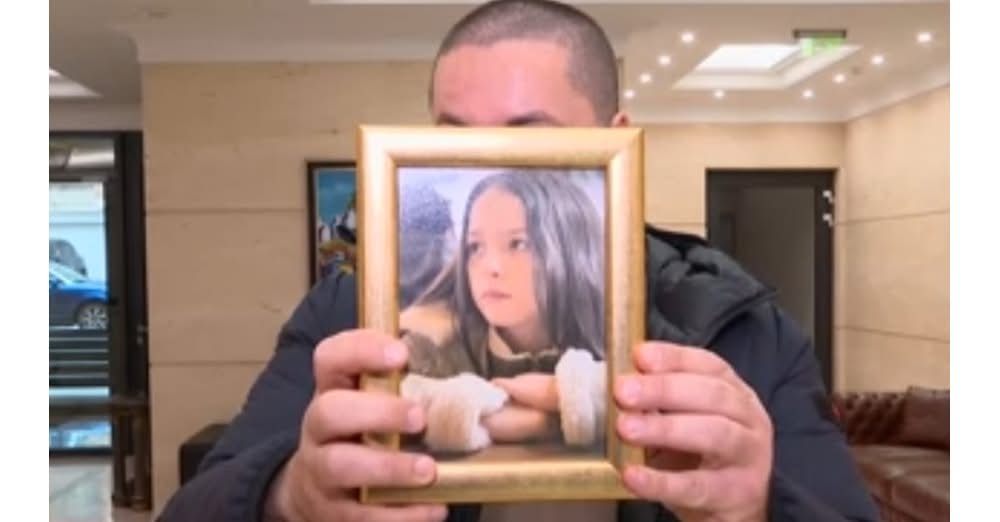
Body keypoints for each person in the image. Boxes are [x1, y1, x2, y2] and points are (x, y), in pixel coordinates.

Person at [158, 1, 879, 521]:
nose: (489, 169)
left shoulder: (743, 331)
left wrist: (761, 507)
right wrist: (288, 496)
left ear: (615, 144)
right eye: (456, 141)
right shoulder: (350, 315)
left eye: (530, 139)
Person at [398, 170, 606, 453]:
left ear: (571, 250)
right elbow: (392, 401)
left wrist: (564, 398)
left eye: (518, 244)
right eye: (476, 247)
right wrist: (554, 418)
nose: (491, 267)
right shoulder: (431, 350)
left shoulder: (621, 334)